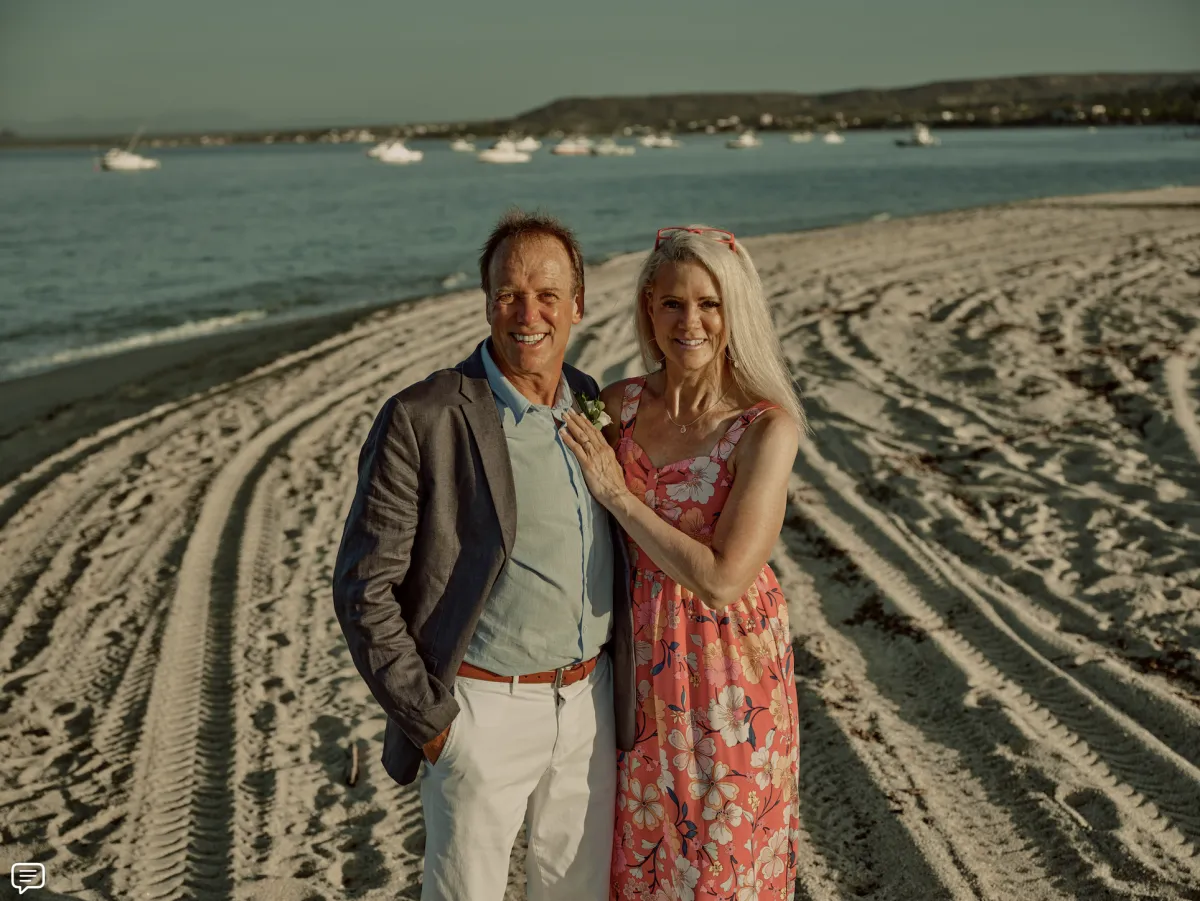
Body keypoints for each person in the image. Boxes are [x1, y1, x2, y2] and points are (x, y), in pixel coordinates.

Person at [332, 209, 635, 901]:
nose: (528, 313)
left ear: (578, 306)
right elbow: (361, 588)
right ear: (487, 301)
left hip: (590, 705)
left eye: (548, 294)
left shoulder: (589, 399)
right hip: (482, 709)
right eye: (509, 293)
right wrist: (435, 725)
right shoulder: (425, 415)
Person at [559, 225, 803, 901]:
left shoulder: (764, 428)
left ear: (735, 312)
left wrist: (618, 493)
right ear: (648, 308)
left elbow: (724, 577)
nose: (689, 321)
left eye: (709, 304)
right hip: (631, 667)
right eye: (672, 303)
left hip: (728, 675)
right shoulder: (618, 407)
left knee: (719, 867)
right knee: (635, 862)